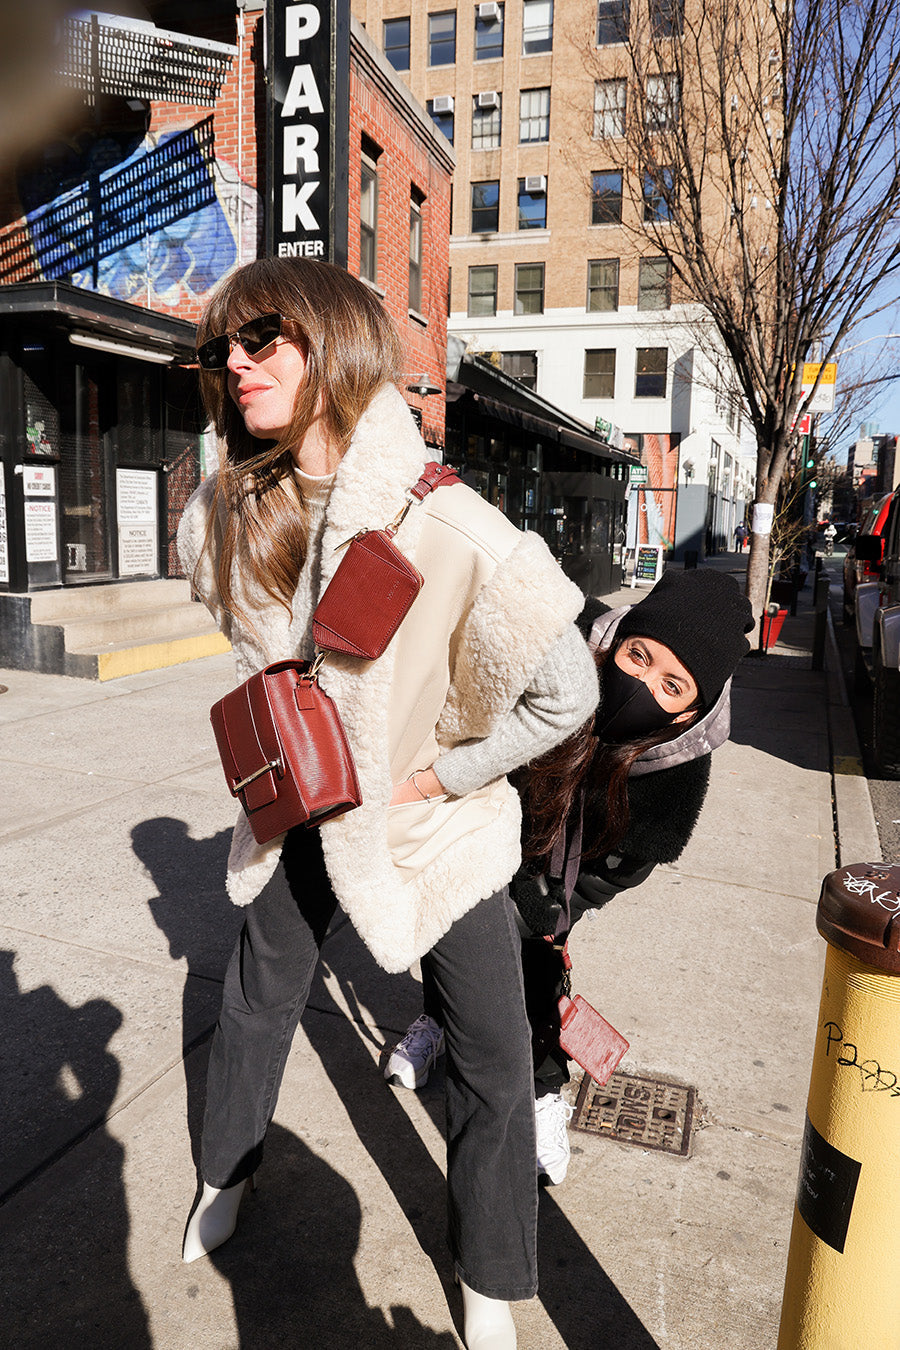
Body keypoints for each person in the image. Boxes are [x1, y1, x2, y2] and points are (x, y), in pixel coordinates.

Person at [175, 257, 599, 1349]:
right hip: (305, 811)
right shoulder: (237, 508)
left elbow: (569, 690)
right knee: (254, 1002)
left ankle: (494, 1278)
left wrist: (442, 774)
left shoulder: (447, 520)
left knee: (496, 1058)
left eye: (260, 336)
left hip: (433, 833)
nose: (234, 359)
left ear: (336, 342)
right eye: (223, 345)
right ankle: (224, 1173)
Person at [385, 568, 753, 1186]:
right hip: (489, 819)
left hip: (568, 872)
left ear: (693, 706)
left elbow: (627, 866)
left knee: (532, 964)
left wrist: (555, 904)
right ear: (618, 639)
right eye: (638, 655)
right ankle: (438, 1018)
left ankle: (545, 1087)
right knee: (448, 926)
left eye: (671, 684)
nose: (641, 683)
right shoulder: (568, 643)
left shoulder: (679, 770)